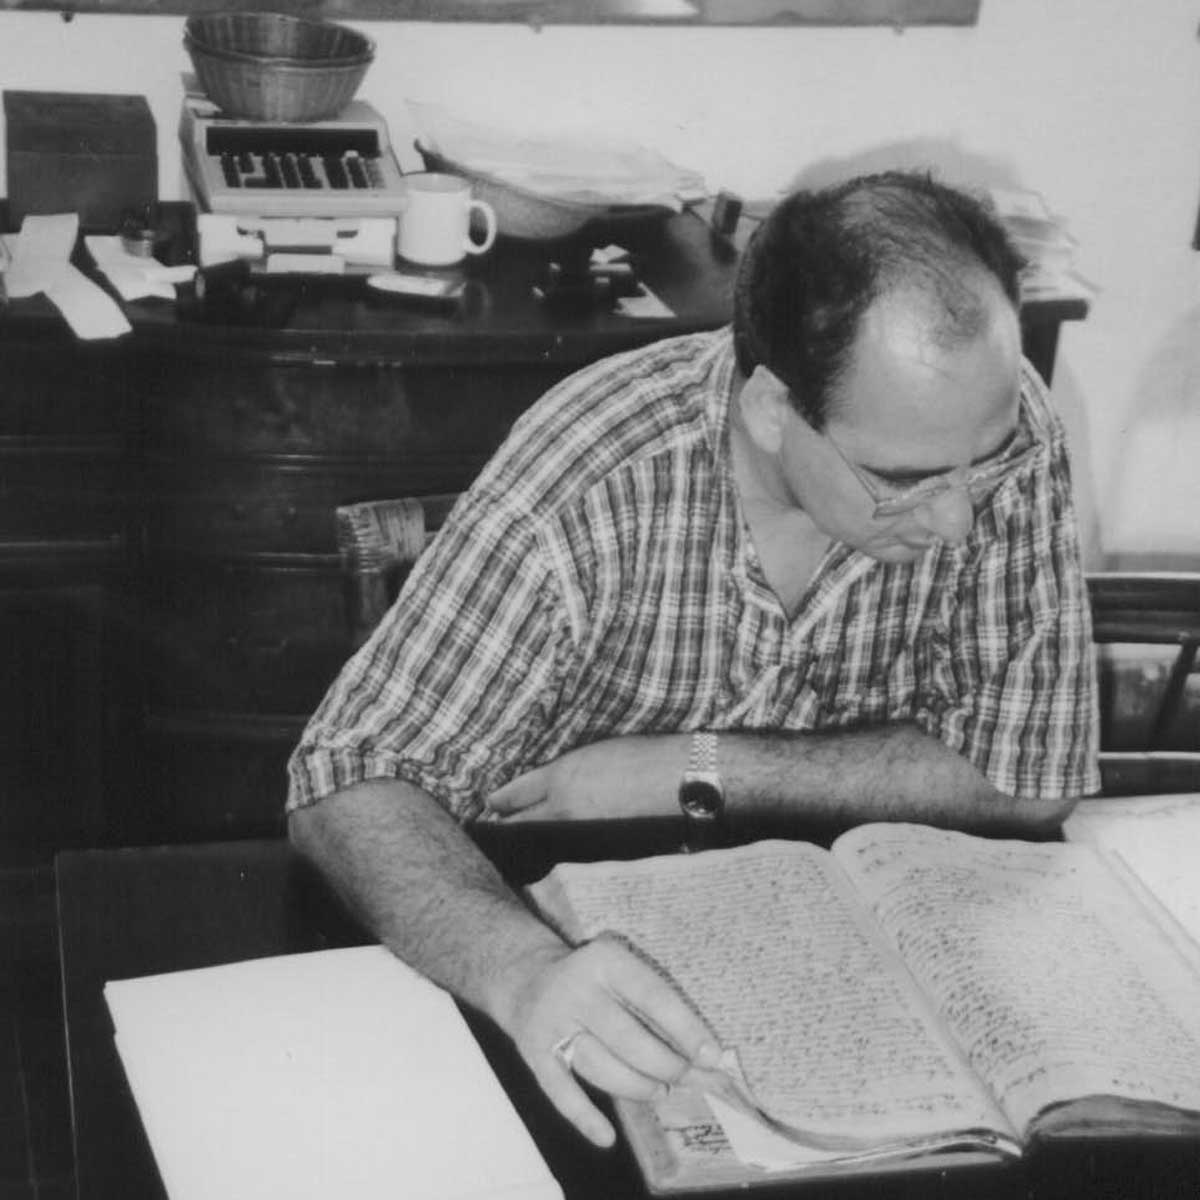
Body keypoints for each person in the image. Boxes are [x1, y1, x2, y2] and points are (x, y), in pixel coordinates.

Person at [287, 170, 1099, 1149]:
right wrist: (523, 970)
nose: (963, 513)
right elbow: (344, 778)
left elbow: (1030, 775)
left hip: (844, 978)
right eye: (904, 480)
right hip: (560, 973)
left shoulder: (986, 432)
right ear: (768, 409)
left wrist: (698, 767)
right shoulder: (585, 488)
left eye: (988, 460)